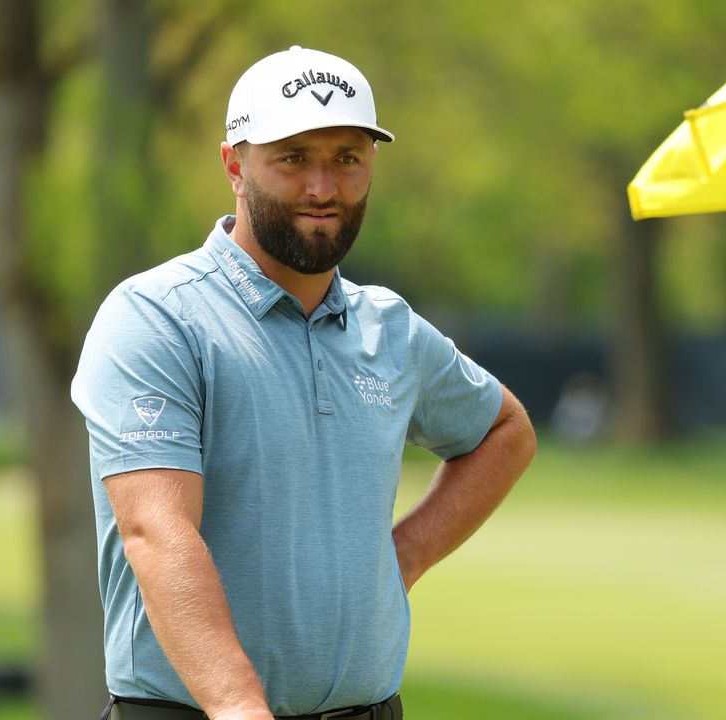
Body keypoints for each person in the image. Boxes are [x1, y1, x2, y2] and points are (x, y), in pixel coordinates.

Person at [71, 45, 536, 720]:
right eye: (292, 158)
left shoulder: (390, 329)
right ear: (235, 164)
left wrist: (398, 562)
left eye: (347, 157)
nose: (324, 188)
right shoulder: (157, 316)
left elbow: (506, 431)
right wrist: (236, 704)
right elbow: (156, 531)